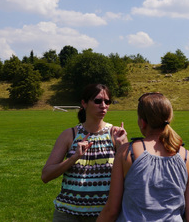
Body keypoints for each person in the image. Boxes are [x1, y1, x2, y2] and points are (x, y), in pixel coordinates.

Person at [97, 93, 189, 221]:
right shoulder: (187, 157)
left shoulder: (126, 153)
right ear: (169, 118)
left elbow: (111, 210)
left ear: (142, 122)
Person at [42, 84, 128, 220]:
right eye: (98, 101)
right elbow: (46, 176)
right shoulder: (69, 135)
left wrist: (122, 146)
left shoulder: (115, 134)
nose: (103, 105)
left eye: (107, 101)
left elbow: (129, 176)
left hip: (105, 215)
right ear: (84, 103)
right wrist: (74, 158)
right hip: (68, 214)